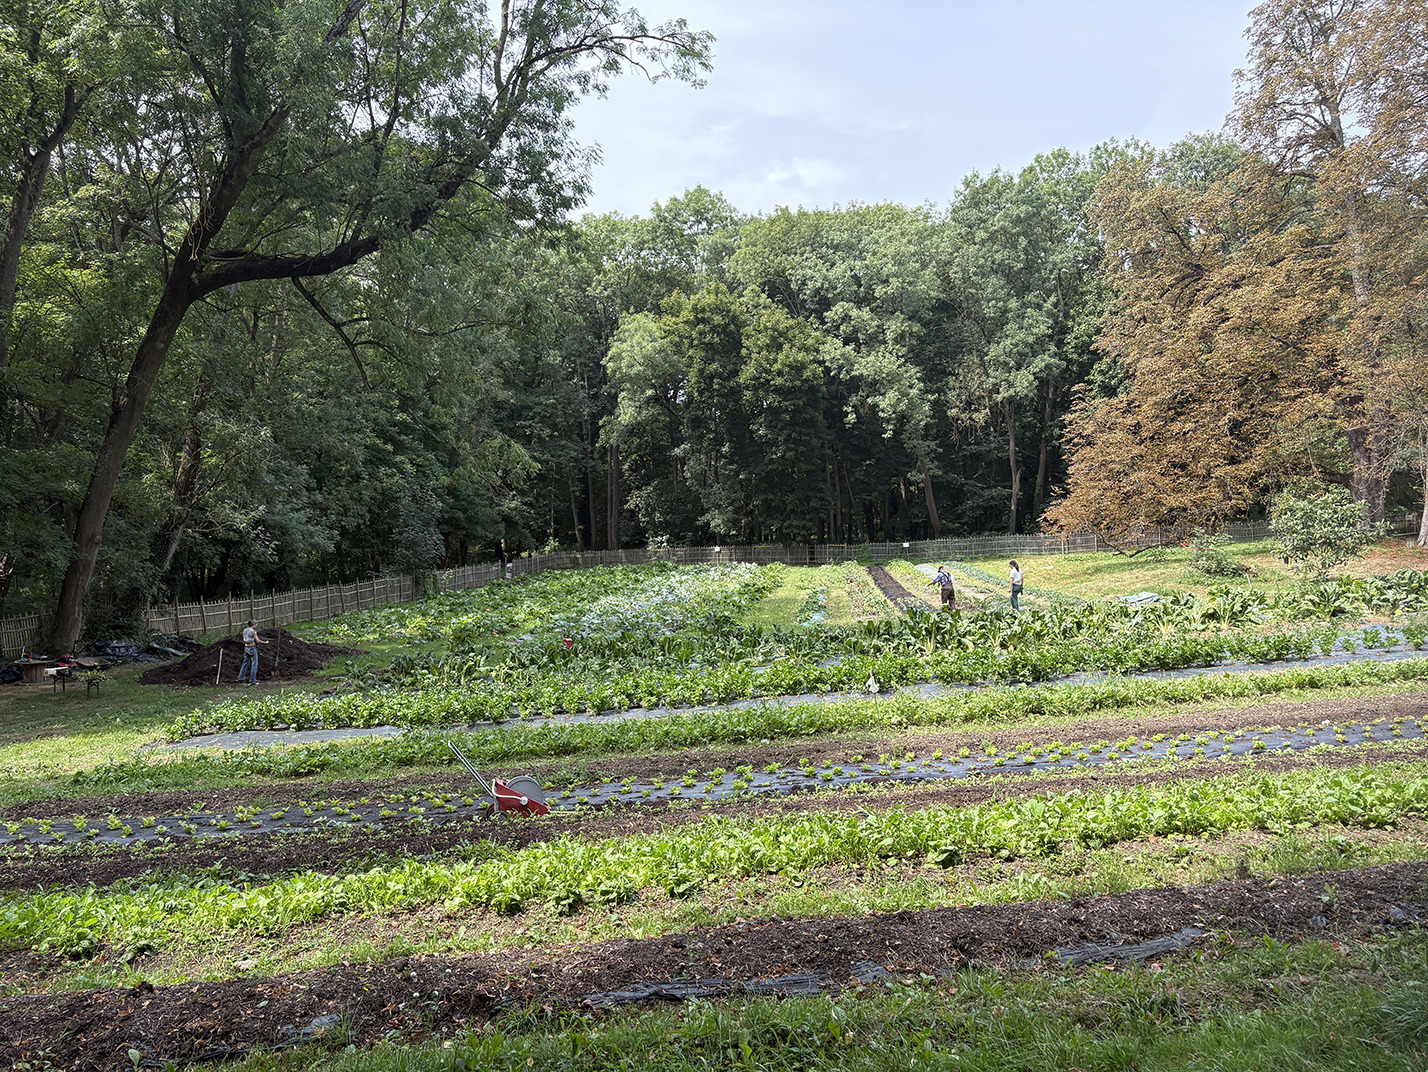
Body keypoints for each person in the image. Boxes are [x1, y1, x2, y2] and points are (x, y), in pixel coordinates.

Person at [239, 619, 268, 685]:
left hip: (246, 647)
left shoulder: (245, 630)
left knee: (245, 663)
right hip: (252, 648)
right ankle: (252, 680)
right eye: (256, 624)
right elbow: (257, 640)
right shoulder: (253, 631)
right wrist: (265, 642)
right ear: (254, 625)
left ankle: (241, 678)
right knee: (254, 663)